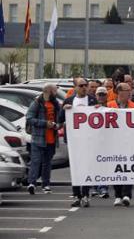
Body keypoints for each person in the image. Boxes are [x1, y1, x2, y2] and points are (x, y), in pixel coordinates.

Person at [59, 78, 97, 207]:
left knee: (86, 167)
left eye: (86, 85)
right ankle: (76, 195)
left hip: (88, 140)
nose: (84, 88)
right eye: (81, 85)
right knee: (75, 168)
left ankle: (85, 194)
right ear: (75, 87)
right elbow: (60, 120)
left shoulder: (92, 100)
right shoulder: (69, 100)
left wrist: (98, 108)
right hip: (73, 140)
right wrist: (64, 109)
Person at [26, 83, 61, 196]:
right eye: (55, 91)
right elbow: (30, 118)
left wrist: (58, 125)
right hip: (38, 138)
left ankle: (46, 184)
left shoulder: (55, 104)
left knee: (47, 163)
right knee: (36, 162)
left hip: (51, 139)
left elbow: (60, 118)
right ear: (49, 92)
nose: (57, 93)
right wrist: (45, 124)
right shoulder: (37, 103)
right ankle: (32, 183)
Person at [107, 82, 134, 206]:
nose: (129, 92)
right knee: (117, 169)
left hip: (129, 142)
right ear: (119, 92)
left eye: (130, 90)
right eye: (126, 90)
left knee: (128, 169)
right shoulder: (109, 105)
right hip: (114, 143)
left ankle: (126, 195)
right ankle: (118, 195)